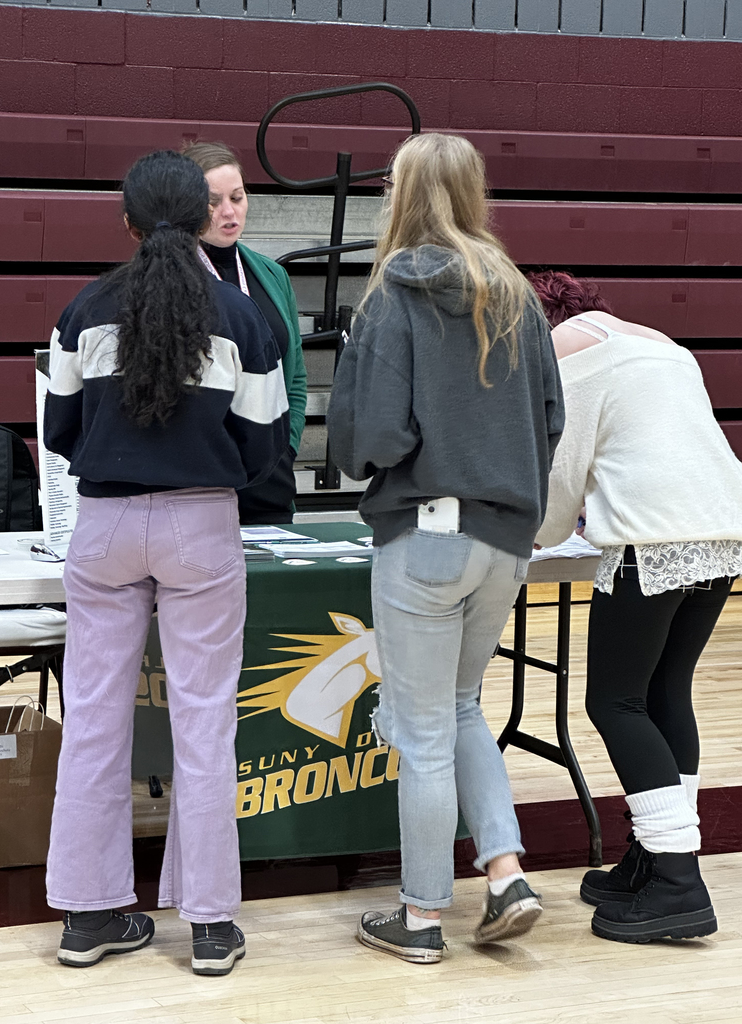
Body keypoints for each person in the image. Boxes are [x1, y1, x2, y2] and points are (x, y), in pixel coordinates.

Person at [43, 151, 288, 974]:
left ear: (128, 222)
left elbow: (59, 434)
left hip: (105, 525)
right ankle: (212, 927)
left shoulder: (83, 310)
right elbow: (263, 445)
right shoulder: (244, 320)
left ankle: (88, 915)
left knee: (95, 722)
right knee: (205, 722)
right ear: (197, 223)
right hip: (202, 526)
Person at [327, 133, 565, 963]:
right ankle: (505, 874)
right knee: (461, 711)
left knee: (423, 734)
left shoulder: (393, 296)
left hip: (425, 538)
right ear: (473, 191)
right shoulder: (517, 294)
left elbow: (374, 438)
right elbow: (550, 421)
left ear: (400, 195)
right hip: (506, 541)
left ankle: (422, 919)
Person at [530, 270, 742, 944]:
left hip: (653, 533)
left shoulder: (564, 347)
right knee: (663, 690)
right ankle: (655, 857)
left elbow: (561, 469)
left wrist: (537, 531)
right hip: (724, 523)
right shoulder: (656, 342)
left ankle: (678, 880)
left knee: (613, 701)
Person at [183, 141, 307, 524]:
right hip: (196, 482)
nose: (228, 211)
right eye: (212, 201)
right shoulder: (170, 279)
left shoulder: (272, 275)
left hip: (268, 481)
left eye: (237, 197)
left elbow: (295, 377)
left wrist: (283, 448)